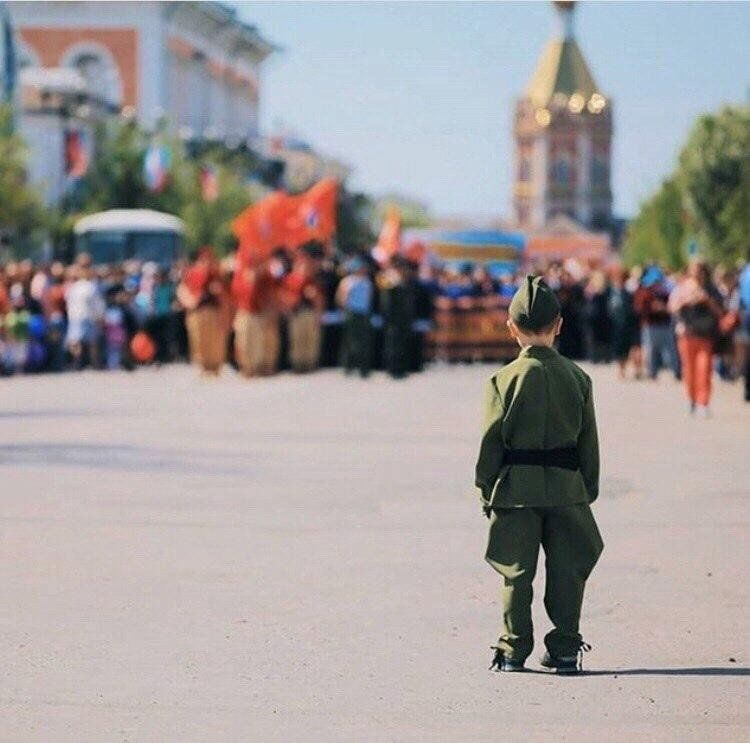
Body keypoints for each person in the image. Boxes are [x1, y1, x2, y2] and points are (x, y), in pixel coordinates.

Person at [475, 275, 603, 674]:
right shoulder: (578, 378)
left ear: (511, 327)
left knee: (516, 572)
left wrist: (486, 489)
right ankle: (565, 648)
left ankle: (513, 649)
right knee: (568, 570)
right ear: (560, 325)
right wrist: (587, 489)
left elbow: (490, 442)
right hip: (567, 489)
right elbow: (589, 444)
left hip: (516, 490)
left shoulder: (502, 380)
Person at [668, 260, 723, 416]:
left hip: (705, 334)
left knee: (704, 369)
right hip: (687, 333)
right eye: (693, 271)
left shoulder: (711, 290)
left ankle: (703, 402)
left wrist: (707, 300)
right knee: (689, 369)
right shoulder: (683, 288)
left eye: (699, 271)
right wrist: (687, 300)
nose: (697, 274)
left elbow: (720, 311)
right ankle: (691, 399)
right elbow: (672, 307)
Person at [177, 247, 228, 376]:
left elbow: (224, 289)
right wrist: (191, 301)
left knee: (215, 339)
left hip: (214, 310)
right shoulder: (191, 273)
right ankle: (203, 366)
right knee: (199, 339)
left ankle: (215, 366)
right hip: (198, 311)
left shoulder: (217, 272)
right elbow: (184, 289)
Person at [633, 266, 679, 381]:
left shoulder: (665, 292)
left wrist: (663, 308)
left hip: (665, 324)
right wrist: (652, 308)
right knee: (651, 350)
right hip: (650, 325)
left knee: (671, 350)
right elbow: (638, 309)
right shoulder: (644, 292)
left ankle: (677, 372)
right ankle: (652, 372)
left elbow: (672, 306)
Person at [336, 256, 374, 377]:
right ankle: (349, 366)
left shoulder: (367, 281)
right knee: (351, 341)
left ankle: (364, 368)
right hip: (352, 313)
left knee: (364, 341)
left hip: (364, 313)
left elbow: (369, 298)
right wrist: (344, 310)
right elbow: (342, 297)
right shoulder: (348, 281)